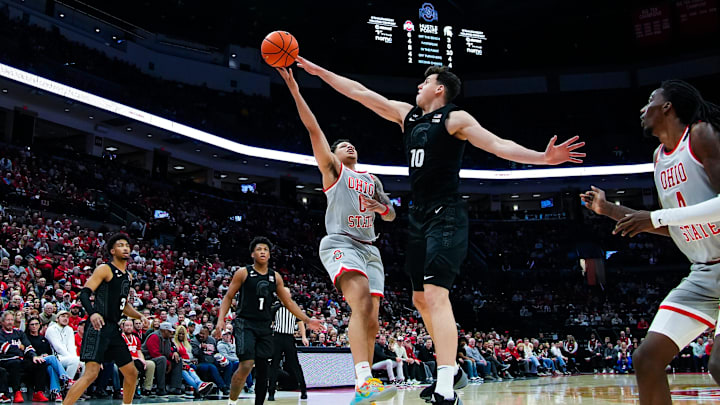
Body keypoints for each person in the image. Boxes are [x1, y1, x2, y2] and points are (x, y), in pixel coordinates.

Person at [296, 57, 584, 404]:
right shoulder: (409, 115)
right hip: (418, 216)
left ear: (439, 88)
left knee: (435, 295)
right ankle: (456, 371)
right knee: (419, 299)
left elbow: (496, 144)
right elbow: (360, 93)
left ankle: (445, 387)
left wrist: (541, 157)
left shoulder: (455, 118)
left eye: (424, 82)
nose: (418, 86)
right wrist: (318, 71)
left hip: (446, 212)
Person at [582, 80, 720, 404]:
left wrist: (656, 217)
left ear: (668, 107)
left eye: (650, 100)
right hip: (703, 273)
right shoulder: (659, 158)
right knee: (647, 359)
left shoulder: (701, 135)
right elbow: (678, 227)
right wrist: (608, 209)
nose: (643, 109)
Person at [277, 67, 398, 405]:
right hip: (341, 242)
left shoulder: (373, 179)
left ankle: (366, 384)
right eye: (342, 145)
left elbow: (392, 214)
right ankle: (362, 380)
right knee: (358, 302)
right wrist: (294, 87)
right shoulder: (333, 170)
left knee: (371, 320)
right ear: (334, 154)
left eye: (352, 143)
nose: (350, 145)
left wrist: (381, 209)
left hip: (371, 249)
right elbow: (313, 128)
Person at [214, 237, 322, 405]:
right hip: (245, 323)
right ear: (252, 254)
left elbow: (289, 303)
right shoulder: (243, 273)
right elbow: (228, 296)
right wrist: (221, 320)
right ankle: (232, 401)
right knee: (247, 363)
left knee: (264, 370)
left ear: (270, 254)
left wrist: (307, 320)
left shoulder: (275, 277)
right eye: (259, 249)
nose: (262, 251)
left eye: (265, 249)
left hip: (264, 326)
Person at [62, 233, 150, 405]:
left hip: (113, 329)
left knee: (131, 373)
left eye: (127, 245)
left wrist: (140, 315)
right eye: (120, 245)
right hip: (98, 326)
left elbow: (123, 306)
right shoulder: (105, 269)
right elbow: (85, 294)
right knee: (91, 373)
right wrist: (93, 312)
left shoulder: (128, 277)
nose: (125, 247)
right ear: (112, 250)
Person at [267, 287, 309, 401]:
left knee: (295, 364)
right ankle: (271, 392)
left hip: (289, 338)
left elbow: (300, 322)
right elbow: (269, 323)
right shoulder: (275, 308)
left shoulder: (294, 308)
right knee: (274, 364)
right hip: (277, 337)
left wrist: (304, 336)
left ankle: (304, 390)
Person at [0, 311, 47, 403]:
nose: (10, 322)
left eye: (11, 320)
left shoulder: (19, 333)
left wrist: (34, 356)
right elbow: (4, 348)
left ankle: (38, 392)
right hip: (5, 361)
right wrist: (18, 347)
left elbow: (28, 346)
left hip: (21, 360)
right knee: (15, 363)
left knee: (40, 363)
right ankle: (17, 392)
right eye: (7, 320)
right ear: (2, 322)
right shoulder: (0, 333)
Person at [27, 317, 70, 402]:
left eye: (36, 324)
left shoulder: (43, 339)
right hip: (33, 361)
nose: (34, 326)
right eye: (32, 324)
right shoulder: (26, 338)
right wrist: (40, 356)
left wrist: (45, 355)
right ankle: (66, 379)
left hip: (45, 362)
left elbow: (49, 352)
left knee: (51, 367)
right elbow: (28, 352)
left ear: (40, 325)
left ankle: (56, 392)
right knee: (52, 358)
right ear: (28, 326)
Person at [172, 325, 215, 398]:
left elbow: (191, 355)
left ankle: (201, 384)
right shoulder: (173, 343)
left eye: (183, 334)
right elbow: (174, 355)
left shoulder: (187, 343)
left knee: (191, 371)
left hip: (189, 363)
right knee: (185, 372)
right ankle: (199, 388)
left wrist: (193, 360)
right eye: (179, 333)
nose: (181, 335)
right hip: (178, 365)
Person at [141, 322, 184, 395]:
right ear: (165, 331)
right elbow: (154, 354)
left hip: (161, 358)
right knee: (162, 359)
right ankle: (160, 388)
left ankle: (175, 387)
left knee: (177, 359)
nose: (171, 333)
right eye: (170, 331)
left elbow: (167, 352)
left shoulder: (166, 338)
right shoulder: (154, 336)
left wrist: (173, 354)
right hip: (148, 359)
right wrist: (168, 363)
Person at [120, 319, 155, 398]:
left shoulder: (136, 339)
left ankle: (147, 389)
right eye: (127, 326)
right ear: (122, 327)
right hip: (125, 360)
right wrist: (136, 359)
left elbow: (139, 351)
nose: (129, 327)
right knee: (135, 365)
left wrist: (142, 360)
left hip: (136, 359)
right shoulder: (120, 338)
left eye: (130, 326)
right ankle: (133, 389)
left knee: (151, 364)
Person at [45, 310, 81, 380]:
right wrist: (75, 360)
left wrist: (77, 361)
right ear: (57, 319)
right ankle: (67, 383)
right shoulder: (51, 329)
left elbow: (71, 347)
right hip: (56, 357)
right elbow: (58, 347)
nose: (65, 318)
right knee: (74, 361)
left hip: (68, 357)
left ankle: (80, 387)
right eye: (63, 316)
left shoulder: (69, 329)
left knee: (85, 364)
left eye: (67, 317)